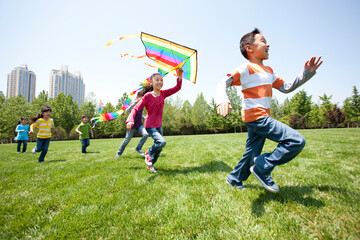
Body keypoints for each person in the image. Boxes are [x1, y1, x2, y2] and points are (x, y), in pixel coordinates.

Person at [216, 28, 323, 192]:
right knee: (295, 141)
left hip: (259, 117)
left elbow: (286, 87)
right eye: (263, 41)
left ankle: (234, 179)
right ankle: (262, 166)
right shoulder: (246, 68)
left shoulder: (269, 71)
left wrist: (306, 73)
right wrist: (222, 99)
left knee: (251, 154)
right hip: (257, 116)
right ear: (249, 48)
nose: (268, 44)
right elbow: (224, 81)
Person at [126, 68, 183, 173]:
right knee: (161, 142)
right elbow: (136, 108)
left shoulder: (163, 94)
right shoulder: (147, 96)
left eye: (161, 80)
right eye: (157, 80)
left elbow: (177, 88)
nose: (160, 82)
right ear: (151, 83)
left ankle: (151, 164)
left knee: (159, 148)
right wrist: (130, 120)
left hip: (158, 125)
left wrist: (179, 75)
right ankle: (148, 152)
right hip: (150, 125)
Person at [116, 90, 149, 158]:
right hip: (131, 126)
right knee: (126, 140)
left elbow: (139, 115)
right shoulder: (133, 104)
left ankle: (138, 148)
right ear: (137, 97)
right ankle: (119, 153)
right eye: (142, 98)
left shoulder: (142, 105)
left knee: (146, 134)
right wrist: (135, 103)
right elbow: (127, 110)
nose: (143, 99)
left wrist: (145, 117)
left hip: (139, 125)